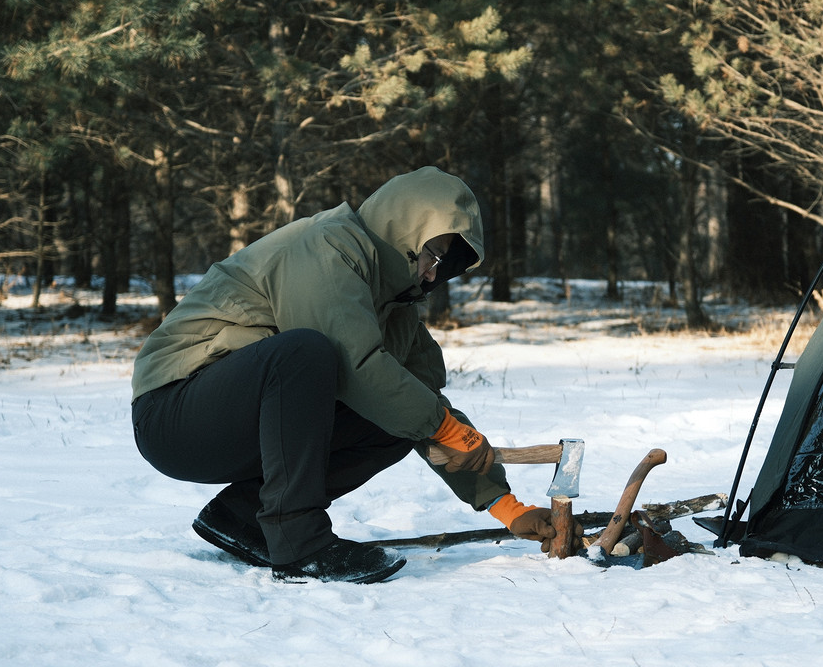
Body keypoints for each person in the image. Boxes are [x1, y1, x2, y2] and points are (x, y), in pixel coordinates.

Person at [130, 166, 581, 584]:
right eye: (434, 253)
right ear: (405, 226)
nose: (432, 272)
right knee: (306, 353)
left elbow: (422, 404)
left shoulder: (396, 306)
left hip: (239, 418)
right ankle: (298, 544)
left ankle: (244, 519)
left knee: (402, 414)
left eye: (445, 266)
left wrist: (507, 507)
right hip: (175, 411)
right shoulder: (325, 248)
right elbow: (359, 365)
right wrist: (440, 426)